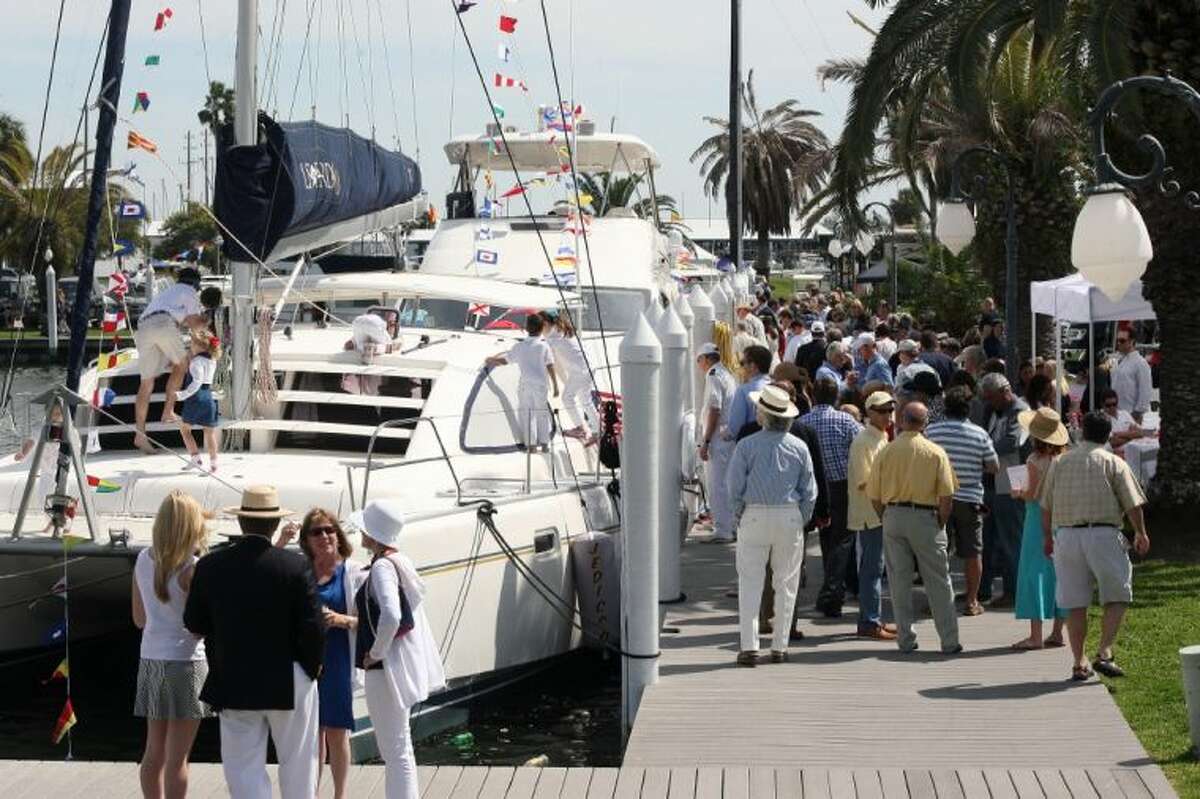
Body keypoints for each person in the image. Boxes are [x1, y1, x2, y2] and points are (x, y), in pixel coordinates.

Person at [183, 485, 325, 799]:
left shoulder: (210, 566)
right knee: (299, 763)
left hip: (234, 676)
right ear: (275, 525)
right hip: (290, 675)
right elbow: (313, 625)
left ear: (241, 522)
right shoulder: (296, 566)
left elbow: (193, 622)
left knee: (242, 767)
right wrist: (312, 669)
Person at [1040, 412, 1150, 681]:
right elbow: (1132, 504)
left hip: (1066, 536)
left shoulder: (1059, 463)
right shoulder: (1113, 462)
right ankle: (1104, 651)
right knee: (1118, 594)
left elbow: (1046, 505)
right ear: (1107, 434)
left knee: (1075, 603)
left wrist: (1048, 537)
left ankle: (1079, 662)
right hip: (1103, 533)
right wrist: (1140, 532)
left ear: (1082, 432)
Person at [351, 499, 446, 798]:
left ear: (373, 533)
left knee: (394, 751)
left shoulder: (381, 567)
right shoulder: (400, 561)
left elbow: (391, 616)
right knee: (401, 748)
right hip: (399, 666)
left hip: (385, 669)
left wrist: (375, 653)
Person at [275, 510, 365, 799]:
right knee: (311, 735)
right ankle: (310, 793)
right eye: (316, 532)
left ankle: (340, 795)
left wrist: (342, 620)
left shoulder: (354, 572)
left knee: (337, 732)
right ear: (306, 540)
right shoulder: (300, 571)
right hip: (304, 663)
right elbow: (267, 576)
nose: (325, 536)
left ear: (338, 534)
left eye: (329, 530)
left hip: (337, 660)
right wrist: (280, 541)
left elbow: (372, 622)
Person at [726, 386, 818, 666]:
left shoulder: (747, 445)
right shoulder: (798, 446)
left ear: (763, 414)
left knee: (751, 582)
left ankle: (749, 646)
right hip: (788, 515)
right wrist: (799, 518)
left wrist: (739, 513)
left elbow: (733, 486)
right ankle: (780, 645)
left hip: (754, 515)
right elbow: (810, 491)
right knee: (786, 583)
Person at [132, 491, 210, 799]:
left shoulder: (142, 559)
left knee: (153, 753)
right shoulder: (193, 568)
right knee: (179, 759)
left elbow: (139, 619)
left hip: (151, 659)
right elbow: (200, 625)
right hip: (187, 662)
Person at [867, 402, 962, 654]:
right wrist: (939, 522)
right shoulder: (935, 452)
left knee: (898, 581)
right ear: (925, 423)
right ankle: (949, 640)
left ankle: (906, 639)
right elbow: (947, 496)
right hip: (925, 517)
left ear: (901, 420)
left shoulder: (886, 452)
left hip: (893, 515)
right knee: (939, 581)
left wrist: (886, 516)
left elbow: (874, 494)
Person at [925, 387, 999, 617]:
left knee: (938, 552)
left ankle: (936, 601)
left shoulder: (931, 431)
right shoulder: (979, 433)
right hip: (970, 499)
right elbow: (993, 466)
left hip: (938, 499)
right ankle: (971, 600)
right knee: (973, 552)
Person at [133, 267, 220, 454]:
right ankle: (168, 411)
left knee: (146, 383)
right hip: (164, 324)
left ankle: (140, 434)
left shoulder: (168, 292)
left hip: (143, 325)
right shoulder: (190, 293)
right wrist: (207, 318)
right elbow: (194, 326)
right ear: (196, 284)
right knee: (182, 364)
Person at [800, 377, 863, 617]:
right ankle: (833, 591)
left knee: (829, 538)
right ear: (836, 397)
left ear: (813, 396)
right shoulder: (846, 421)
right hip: (841, 485)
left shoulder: (803, 422)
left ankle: (834, 585)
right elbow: (861, 449)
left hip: (814, 487)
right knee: (843, 538)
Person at [1010, 408, 1068, 651]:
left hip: (1036, 519)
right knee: (1060, 574)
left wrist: (1017, 493)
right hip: (1061, 518)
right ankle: (1057, 632)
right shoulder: (1063, 459)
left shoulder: (1034, 460)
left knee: (1034, 573)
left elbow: (1032, 494)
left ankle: (1035, 635)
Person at [847, 391, 898, 640]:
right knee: (871, 568)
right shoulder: (864, 440)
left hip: (882, 511)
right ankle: (869, 621)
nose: (888, 415)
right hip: (871, 513)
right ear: (869, 412)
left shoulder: (881, 437)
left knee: (876, 568)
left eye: (890, 410)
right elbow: (864, 481)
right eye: (882, 411)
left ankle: (872, 618)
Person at [979, 373, 1029, 607]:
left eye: (991, 397)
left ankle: (1014, 590)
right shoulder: (994, 411)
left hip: (1014, 480)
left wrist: (982, 450)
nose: (989, 402)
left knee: (1012, 539)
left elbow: (1011, 442)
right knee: (989, 538)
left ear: (1004, 392)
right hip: (994, 480)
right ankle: (983, 588)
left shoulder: (1020, 411)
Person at [484, 314, 559, 450]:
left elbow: (505, 361)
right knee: (542, 413)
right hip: (541, 385)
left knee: (527, 414)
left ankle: (531, 446)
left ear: (526, 328)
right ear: (542, 328)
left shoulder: (519, 347)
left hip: (525, 384)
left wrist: (491, 360)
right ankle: (545, 444)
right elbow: (550, 366)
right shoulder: (544, 346)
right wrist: (555, 385)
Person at [697, 343, 739, 542]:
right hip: (727, 436)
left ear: (705, 359)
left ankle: (723, 530)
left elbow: (714, 409)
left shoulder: (713, 376)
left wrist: (705, 441)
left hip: (717, 437)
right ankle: (731, 525)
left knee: (717, 484)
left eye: (699, 361)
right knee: (727, 483)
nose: (699, 366)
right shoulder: (727, 374)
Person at [545, 312, 596, 442]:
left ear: (546, 323)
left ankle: (581, 429)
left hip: (580, 371)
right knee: (585, 400)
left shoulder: (553, 336)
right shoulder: (563, 330)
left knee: (567, 398)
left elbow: (543, 352)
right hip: (589, 367)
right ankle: (598, 430)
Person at [176, 329, 221, 473]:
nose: (190, 347)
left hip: (196, 398)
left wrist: (182, 395)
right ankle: (214, 464)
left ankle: (195, 459)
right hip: (208, 398)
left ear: (200, 347)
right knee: (209, 432)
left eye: (192, 345)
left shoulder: (196, 361)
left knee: (185, 429)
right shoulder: (212, 360)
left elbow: (196, 382)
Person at [726, 345, 773, 441]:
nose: (741, 367)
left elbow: (735, 427)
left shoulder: (743, 390)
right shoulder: (776, 386)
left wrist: (727, 434)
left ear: (753, 366)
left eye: (743, 363)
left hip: (750, 444)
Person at [1110, 329, 1153, 424]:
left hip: (1133, 415)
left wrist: (1136, 414)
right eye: (1117, 340)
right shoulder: (1118, 361)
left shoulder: (1140, 363)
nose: (1118, 343)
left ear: (1132, 341)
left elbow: (1145, 391)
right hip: (1118, 414)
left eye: (1122, 341)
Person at [1097, 388, 1147, 454]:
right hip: (1115, 454)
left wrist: (1119, 434)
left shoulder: (1124, 414)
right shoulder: (1101, 419)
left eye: (1114, 404)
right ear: (1103, 405)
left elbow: (1141, 433)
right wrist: (1132, 434)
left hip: (1132, 452)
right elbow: (1114, 442)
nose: (1112, 407)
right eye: (1108, 405)